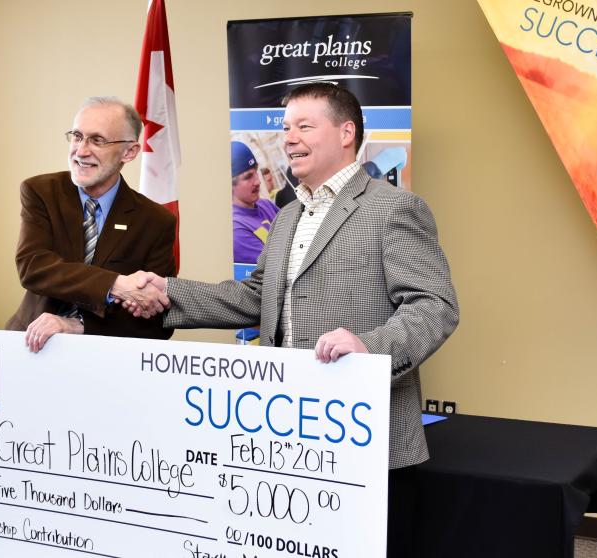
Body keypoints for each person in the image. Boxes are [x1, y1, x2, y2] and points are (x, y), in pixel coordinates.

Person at [120, 83, 458, 554]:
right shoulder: (286, 217)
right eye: (285, 128)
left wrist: (370, 347)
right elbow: (257, 297)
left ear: (346, 133)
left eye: (304, 126)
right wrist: (167, 291)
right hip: (293, 439)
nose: (289, 138)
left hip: (365, 441)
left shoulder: (395, 207)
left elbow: (434, 304)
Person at [5, 96, 175, 352]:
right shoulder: (41, 192)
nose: (81, 151)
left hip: (107, 359)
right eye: (77, 136)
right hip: (31, 348)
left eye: (97, 140)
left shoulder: (155, 221)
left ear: (129, 152)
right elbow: (34, 267)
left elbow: (156, 321)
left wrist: (79, 325)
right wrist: (115, 285)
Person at [231, 141, 279, 264]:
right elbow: (275, 266)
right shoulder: (236, 230)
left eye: (256, 172)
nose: (258, 181)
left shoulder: (266, 205)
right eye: (248, 177)